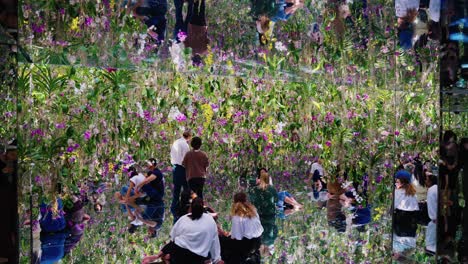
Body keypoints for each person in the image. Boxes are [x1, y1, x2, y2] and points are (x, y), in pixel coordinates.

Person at [142, 198, 224, 264]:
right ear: (203, 208)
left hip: (178, 252)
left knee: (173, 244)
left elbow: (173, 238)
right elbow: (214, 242)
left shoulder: (184, 218)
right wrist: (217, 259)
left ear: (191, 208)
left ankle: (157, 256)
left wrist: (162, 254)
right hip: (196, 258)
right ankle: (163, 258)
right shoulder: (210, 220)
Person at [221, 192, 263, 264]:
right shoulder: (254, 211)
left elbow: (237, 237)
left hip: (247, 245)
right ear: (246, 200)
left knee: (222, 241)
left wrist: (227, 235)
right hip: (258, 241)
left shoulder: (237, 216)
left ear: (234, 202)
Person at [393, 170, 419, 257]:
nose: (396, 183)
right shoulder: (413, 193)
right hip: (411, 226)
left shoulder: (398, 192)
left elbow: (393, 207)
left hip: (401, 224)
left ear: (402, 183)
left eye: (397, 181)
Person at [170, 131, 192, 221]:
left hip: (175, 167)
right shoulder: (185, 145)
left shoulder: (176, 142)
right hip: (182, 168)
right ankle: (185, 206)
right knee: (186, 187)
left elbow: (172, 155)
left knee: (176, 189)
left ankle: (174, 208)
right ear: (189, 137)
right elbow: (186, 159)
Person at [425, 174, 437, 255]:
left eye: (426, 179)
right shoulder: (433, 189)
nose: (425, 181)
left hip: (434, 220)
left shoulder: (432, 189)